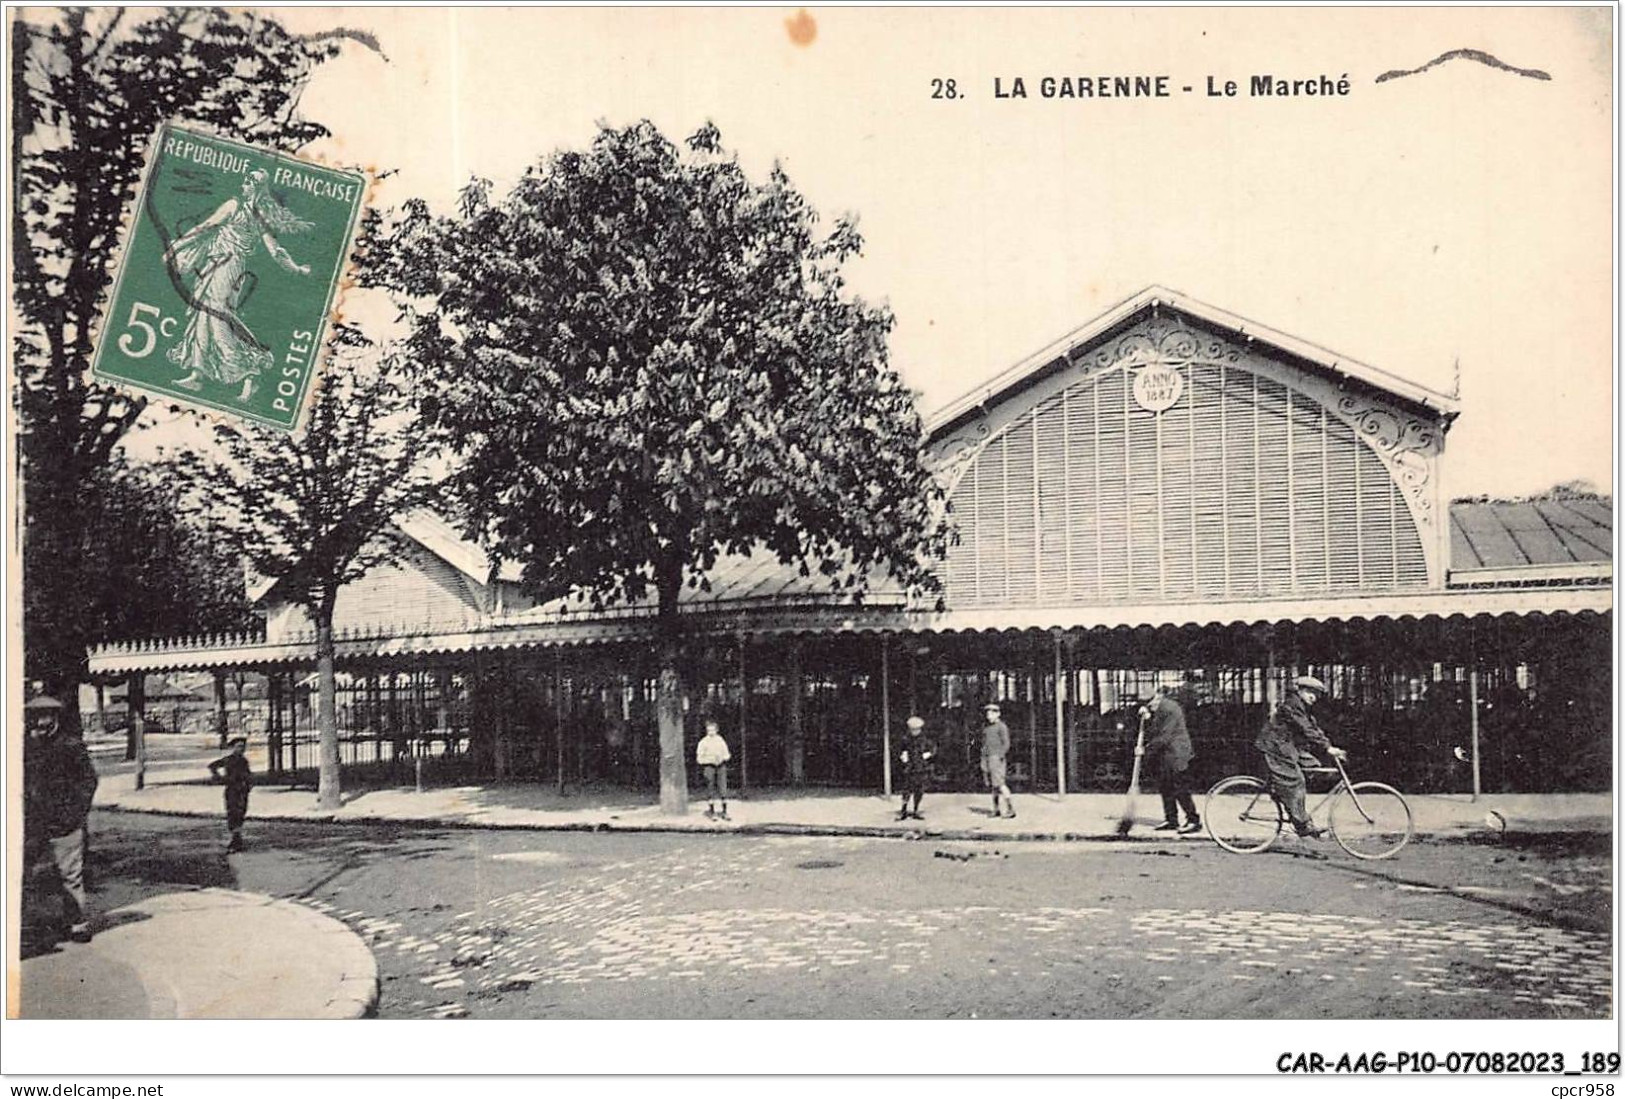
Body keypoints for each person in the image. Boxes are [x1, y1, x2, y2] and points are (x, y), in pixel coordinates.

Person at [162, 168, 313, 402]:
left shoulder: (235, 205)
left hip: (227, 266)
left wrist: (177, 247)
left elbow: (207, 226)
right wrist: (297, 268)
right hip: (218, 264)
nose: (243, 184)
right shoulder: (259, 217)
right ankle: (198, 373)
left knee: (217, 315)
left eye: (248, 181)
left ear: (256, 186)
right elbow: (277, 252)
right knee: (204, 314)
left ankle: (250, 371)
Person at [23, 695, 99, 945]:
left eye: (45, 716)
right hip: (33, 823)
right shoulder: (25, 747)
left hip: (65, 822)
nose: (40, 721)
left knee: (71, 874)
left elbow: (89, 781)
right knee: (24, 874)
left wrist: (76, 812)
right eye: (35, 717)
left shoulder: (71, 746)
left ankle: (76, 922)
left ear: (55, 718)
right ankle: (24, 924)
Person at [1255, 675, 1346, 839]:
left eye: (1317, 694)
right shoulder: (1293, 704)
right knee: (1296, 781)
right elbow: (1306, 729)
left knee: (1313, 766)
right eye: (1311, 692)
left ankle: (1287, 798)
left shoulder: (1303, 707)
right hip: (1276, 746)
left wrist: (1329, 745)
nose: (1314, 697)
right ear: (1301, 691)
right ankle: (1301, 823)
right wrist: (1328, 748)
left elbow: (1313, 728)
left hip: (1288, 746)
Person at [1140, 689, 1201, 834]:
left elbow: (1164, 736)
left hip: (1176, 752)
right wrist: (1148, 717)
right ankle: (1171, 819)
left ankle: (1193, 820)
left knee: (1179, 786)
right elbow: (1156, 729)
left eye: (1150, 704)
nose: (1150, 707)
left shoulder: (1169, 708)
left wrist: (1146, 749)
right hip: (1165, 754)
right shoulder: (1159, 708)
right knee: (1165, 786)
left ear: (1157, 698)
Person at [209, 736, 254, 852]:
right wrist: (218, 777)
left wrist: (249, 784)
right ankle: (236, 840)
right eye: (239, 746)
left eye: (243, 747)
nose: (241, 749)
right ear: (233, 747)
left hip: (242, 791)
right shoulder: (229, 759)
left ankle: (237, 840)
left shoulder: (244, 761)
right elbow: (212, 765)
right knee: (233, 813)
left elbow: (247, 775)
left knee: (241, 813)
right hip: (232, 790)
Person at [979, 702, 1015, 819]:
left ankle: (1010, 809)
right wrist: (983, 759)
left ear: (998, 714)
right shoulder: (986, 727)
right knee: (993, 786)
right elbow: (984, 744)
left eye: (992, 713)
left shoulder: (1002, 727)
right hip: (988, 757)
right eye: (988, 713)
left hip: (996, 758)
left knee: (1000, 784)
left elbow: (1006, 743)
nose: (989, 716)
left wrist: (1000, 756)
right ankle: (996, 809)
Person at [897, 716, 934, 820]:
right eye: (912, 729)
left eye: (916, 729)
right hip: (909, 768)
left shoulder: (925, 739)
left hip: (921, 768)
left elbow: (933, 749)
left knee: (919, 790)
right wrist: (903, 756)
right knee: (906, 790)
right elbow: (900, 749)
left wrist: (927, 755)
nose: (914, 731)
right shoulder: (905, 739)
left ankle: (916, 810)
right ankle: (903, 810)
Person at [694, 719, 732, 820]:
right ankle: (712, 812)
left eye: (713, 730)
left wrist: (723, 758)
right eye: (709, 730)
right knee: (710, 788)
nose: (711, 733)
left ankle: (725, 812)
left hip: (720, 766)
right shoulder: (703, 742)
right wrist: (708, 760)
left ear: (717, 730)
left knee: (723, 788)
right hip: (709, 766)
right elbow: (699, 758)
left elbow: (727, 754)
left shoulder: (720, 740)